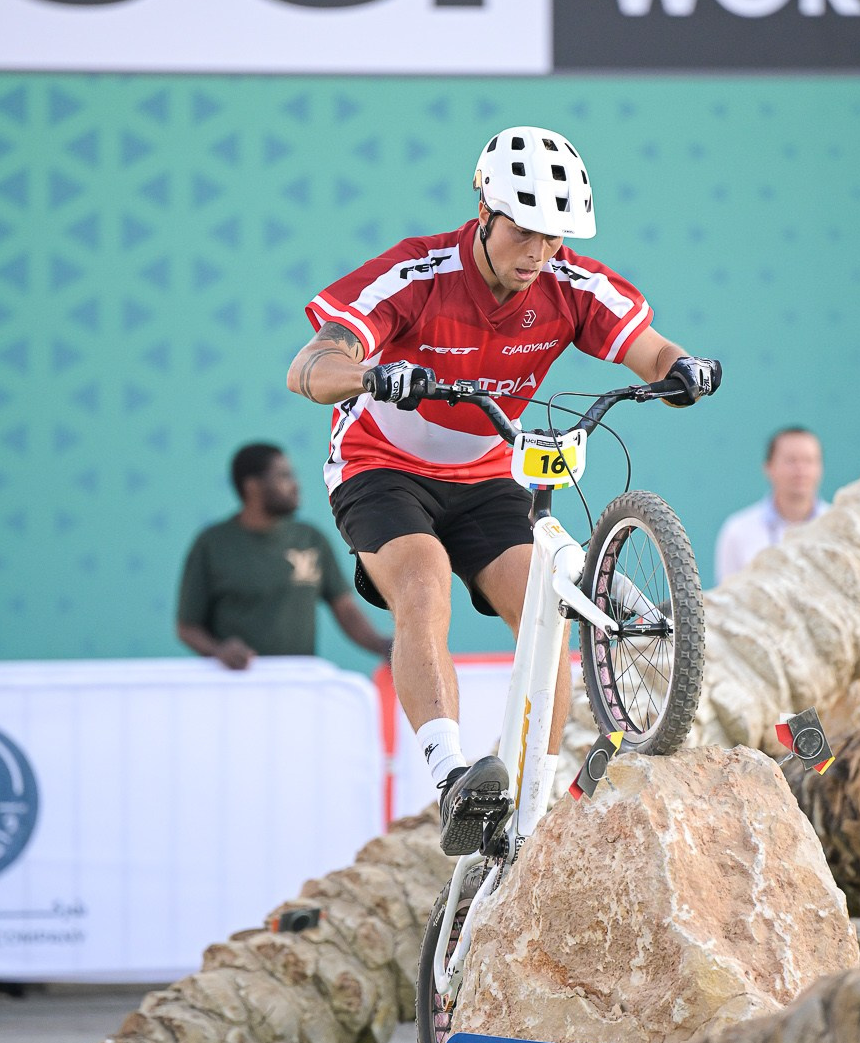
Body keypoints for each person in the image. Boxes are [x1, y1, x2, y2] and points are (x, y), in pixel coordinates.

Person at [286, 125, 721, 854]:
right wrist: (367, 373)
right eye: (524, 233)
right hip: (379, 466)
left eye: (554, 239)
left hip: (488, 476)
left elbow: (648, 348)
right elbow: (309, 366)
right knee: (425, 587)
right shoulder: (414, 275)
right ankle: (454, 774)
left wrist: (681, 370)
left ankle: (532, 804)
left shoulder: (568, 283)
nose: (538, 254)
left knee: (545, 608)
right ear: (484, 211)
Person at [176, 442, 391, 669]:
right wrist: (218, 650)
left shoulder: (310, 539)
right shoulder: (212, 544)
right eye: (284, 476)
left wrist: (384, 646)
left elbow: (345, 609)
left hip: (296, 685)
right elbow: (187, 627)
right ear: (252, 487)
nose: (296, 485)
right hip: (234, 687)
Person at [712, 426, 828, 584]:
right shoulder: (738, 531)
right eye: (791, 460)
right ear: (768, 467)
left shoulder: (839, 528)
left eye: (809, 460)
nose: (801, 469)